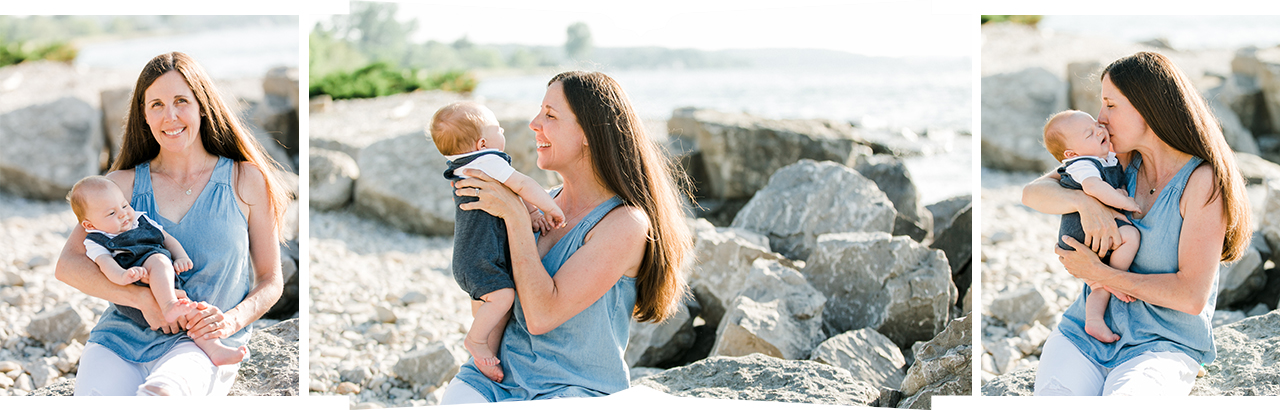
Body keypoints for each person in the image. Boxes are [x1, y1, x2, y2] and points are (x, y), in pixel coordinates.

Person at [439, 71, 692, 402]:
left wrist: (514, 216)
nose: (534, 123)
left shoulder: (625, 223)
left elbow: (541, 317)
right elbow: (490, 300)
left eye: (550, 115)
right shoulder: (542, 204)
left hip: (571, 391)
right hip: (494, 380)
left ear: (588, 132)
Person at [54, 51, 289, 396]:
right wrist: (145, 301)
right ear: (144, 116)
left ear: (202, 106)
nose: (171, 116)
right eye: (157, 105)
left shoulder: (245, 179)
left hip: (203, 345)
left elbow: (270, 280)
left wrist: (230, 321)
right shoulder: (121, 185)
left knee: (161, 397)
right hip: (119, 341)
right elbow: (68, 265)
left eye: (181, 101)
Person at [1022, 51, 1251, 396]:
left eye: (1111, 105)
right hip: (1083, 334)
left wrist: (1101, 275)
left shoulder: (1203, 182)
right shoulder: (1120, 160)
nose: (1100, 118)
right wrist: (1083, 202)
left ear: (1149, 106)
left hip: (1163, 345)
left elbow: (1191, 297)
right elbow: (1032, 192)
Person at [429, 101, 566, 383]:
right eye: (497, 128)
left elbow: (506, 195)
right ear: (482, 143)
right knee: (504, 297)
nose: (502, 131)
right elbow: (522, 185)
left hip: (471, 256)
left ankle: (485, 363)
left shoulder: (464, 166)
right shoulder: (488, 161)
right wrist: (550, 208)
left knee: (494, 302)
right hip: (480, 257)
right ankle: (476, 341)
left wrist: (531, 213)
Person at [66, 176, 248, 365]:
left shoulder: (140, 219)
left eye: (124, 205)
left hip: (165, 285)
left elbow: (167, 239)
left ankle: (215, 349)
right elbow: (106, 265)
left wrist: (181, 257)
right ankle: (169, 306)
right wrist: (123, 276)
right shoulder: (96, 241)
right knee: (159, 261)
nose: (123, 214)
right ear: (89, 225)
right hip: (135, 296)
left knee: (193, 312)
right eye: (111, 213)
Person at [1040, 110, 1141, 343]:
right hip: (1079, 232)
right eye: (1089, 133)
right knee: (1131, 236)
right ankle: (1114, 277)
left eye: (1096, 125)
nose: (1099, 130)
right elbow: (1095, 188)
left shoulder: (1103, 158)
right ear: (1071, 153)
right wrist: (1125, 201)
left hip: (1086, 233)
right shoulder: (1082, 164)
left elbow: (1110, 184)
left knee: (1098, 288)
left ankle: (1094, 319)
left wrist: (1118, 192)